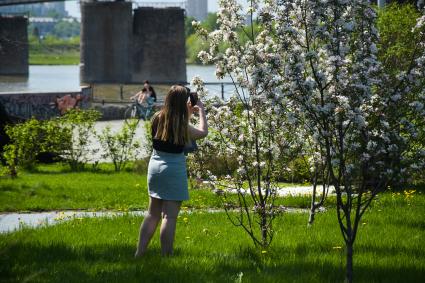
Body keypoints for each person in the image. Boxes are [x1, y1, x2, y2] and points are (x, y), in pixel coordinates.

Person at [135, 85, 208, 257]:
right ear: (184, 102)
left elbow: (173, 129)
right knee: (169, 217)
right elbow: (202, 133)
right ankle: (166, 255)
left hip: (155, 167)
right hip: (173, 168)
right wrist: (201, 111)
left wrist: (187, 113)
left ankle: (139, 253)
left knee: (152, 214)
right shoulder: (182, 124)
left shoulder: (156, 117)